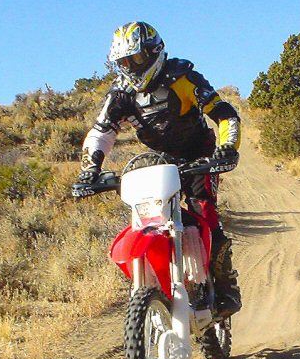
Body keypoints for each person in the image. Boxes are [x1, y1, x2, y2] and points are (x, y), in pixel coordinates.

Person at [73, 21, 242, 316]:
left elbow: (223, 113)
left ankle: (226, 288)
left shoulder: (183, 77)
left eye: (136, 59)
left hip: (199, 155)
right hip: (160, 161)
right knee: (151, 219)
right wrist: (90, 169)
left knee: (205, 213)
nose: (131, 67)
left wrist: (226, 148)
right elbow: (102, 132)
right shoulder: (121, 93)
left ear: (154, 52)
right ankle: (158, 285)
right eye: (124, 61)